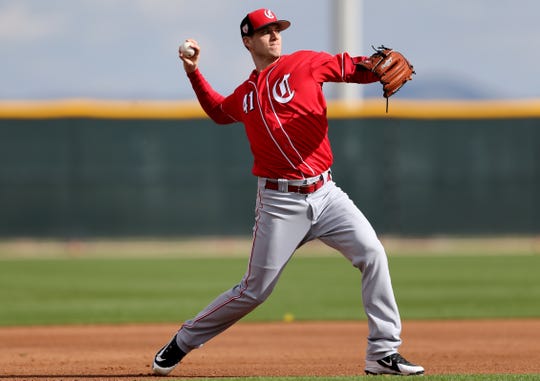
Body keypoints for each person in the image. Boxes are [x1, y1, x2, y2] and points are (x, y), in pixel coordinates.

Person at [152, 8, 424, 377]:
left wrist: (371, 67)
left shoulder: (305, 64)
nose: (274, 35)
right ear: (248, 41)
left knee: (373, 253)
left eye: (277, 28)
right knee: (254, 291)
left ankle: (383, 352)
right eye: (265, 31)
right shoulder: (246, 95)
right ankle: (183, 340)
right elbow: (218, 111)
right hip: (279, 203)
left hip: (326, 194)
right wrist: (193, 72)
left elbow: (350, 67)